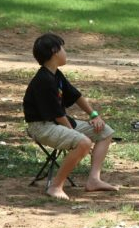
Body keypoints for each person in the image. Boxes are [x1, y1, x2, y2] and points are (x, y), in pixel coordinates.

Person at [23, 33, 118, 200]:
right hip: (42, 126)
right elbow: (58, 115)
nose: (65, 52)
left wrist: (94, 115)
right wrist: (76, 134)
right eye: (63, 48)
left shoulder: (56, 74)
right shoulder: (43, 80)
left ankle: (94, 180)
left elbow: (76, 96)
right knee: (83, 142)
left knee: (105, 132)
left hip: (58, 122)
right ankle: (55, 186)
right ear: (54, 51)